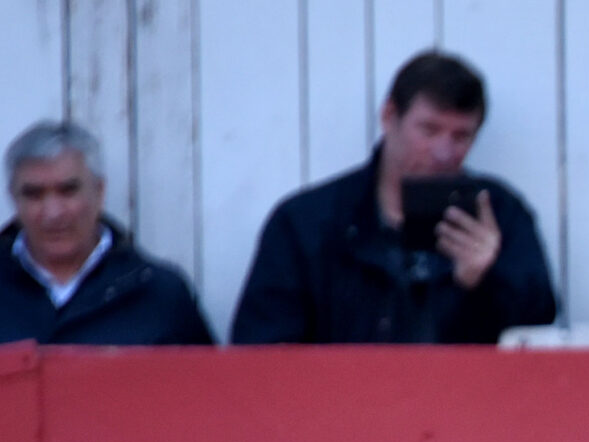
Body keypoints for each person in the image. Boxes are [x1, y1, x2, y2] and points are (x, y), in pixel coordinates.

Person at [230, 51, 556, 345]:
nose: (444, 152)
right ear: (389, 116)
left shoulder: (500, 214)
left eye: (461, 136)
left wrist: (485, 281)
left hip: (462, 404)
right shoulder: (306, 222)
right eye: (429, 130)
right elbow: (263, 353)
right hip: (338, 405)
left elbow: (540, 338)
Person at [0, 120, 213, 351]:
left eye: (68, 191)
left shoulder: (158, 293)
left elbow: (206, 403)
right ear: (14, 200)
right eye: (34, 194)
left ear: (99, 192)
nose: (53, 212)